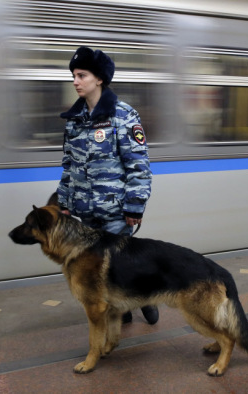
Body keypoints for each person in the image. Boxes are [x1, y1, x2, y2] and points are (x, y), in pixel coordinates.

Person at [55, 46, 158, 325]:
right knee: (98, 270)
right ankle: (120, 311)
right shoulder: (74, 121)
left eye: (82, 75)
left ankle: (145, 297)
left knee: (120, 267)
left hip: (115, 212)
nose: (75, 81)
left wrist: (135, 206)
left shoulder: (123, 116)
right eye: (74, 76)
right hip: (85, 215)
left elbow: (138, 166)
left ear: (99, 78)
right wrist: (64, 204)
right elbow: (69, 167)